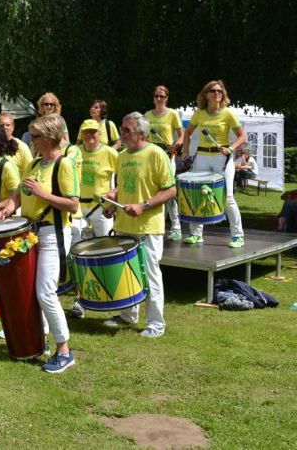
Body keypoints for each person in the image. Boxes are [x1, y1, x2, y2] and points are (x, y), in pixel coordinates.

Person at [0, 113, 79, 373]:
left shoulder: (64, 164)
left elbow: (73, 204)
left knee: (45, 292)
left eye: (35, 136)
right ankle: (37, 342)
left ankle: (64, 351)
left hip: (53, 234)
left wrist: (43, 194)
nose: (30, 140)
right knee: (32, 291)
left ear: (51, 137)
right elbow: (19, 193)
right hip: (31, 234)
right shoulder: (33, 163)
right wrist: (8, 208)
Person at [101, 112, 176, 338]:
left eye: (126, 130)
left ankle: (156, 323)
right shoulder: (122, 156)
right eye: (122, 129)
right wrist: (113, 203)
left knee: (150, 275)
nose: (122, 133)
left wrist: (144, 206)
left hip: (148, 226)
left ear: (141, 133)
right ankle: (127, 315)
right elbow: (125, 185)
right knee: (126, 273)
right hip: (124, 223)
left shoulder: (156, 153)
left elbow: (170, 189)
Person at [180, 80, 246, 247]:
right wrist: (185, 152)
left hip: (222, 158)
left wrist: (231, 148)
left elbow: (242, 136)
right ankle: (196, 234)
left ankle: (238, 235)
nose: (217, 93)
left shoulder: (228, 114)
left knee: (228, 197)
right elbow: (187, 133)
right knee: (197, 193)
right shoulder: (199, 114)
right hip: (202, 157)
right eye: (213, 91)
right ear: (206, 95)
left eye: (219, 91)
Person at [70, 119, 118, 319]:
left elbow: (124, 177)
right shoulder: (74, 151)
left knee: (106, 251)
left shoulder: (110, 153)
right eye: (86, 132)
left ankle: (110, 295)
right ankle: (80, 299)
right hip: (78, 208)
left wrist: (114, 194)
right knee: (78, 254)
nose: (90, 136)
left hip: (101, 208)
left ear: (99, 134)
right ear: (81, 134)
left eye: (93, 132)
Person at [144, 85, 185, 241]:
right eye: (157, 96)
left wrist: (176, 145)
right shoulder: (147, 115)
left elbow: (182, 134)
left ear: (166, 98)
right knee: (151, 191)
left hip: (167, 155)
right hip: (151, 155)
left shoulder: (172, 114)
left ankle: (176, 227)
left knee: (168, 191)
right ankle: (155, 225)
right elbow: (144, 135)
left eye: (162, 96)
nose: (159, 98)